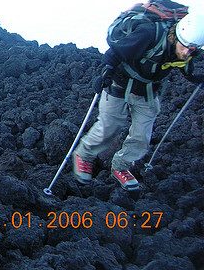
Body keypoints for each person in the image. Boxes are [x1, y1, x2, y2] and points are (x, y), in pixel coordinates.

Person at [73, 10, 204, 191]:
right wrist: (106, 73)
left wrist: (196, 78)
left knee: (142, 136)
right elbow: (116, 52)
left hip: (147, 90)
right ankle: (83, 155)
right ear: (177, 36)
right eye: (186, 47)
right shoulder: (149, 34)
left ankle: (121, 166)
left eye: (193, 49)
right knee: (109, 125)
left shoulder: (187, 48)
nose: (189, 52)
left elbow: (183, 65)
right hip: (120, 83)